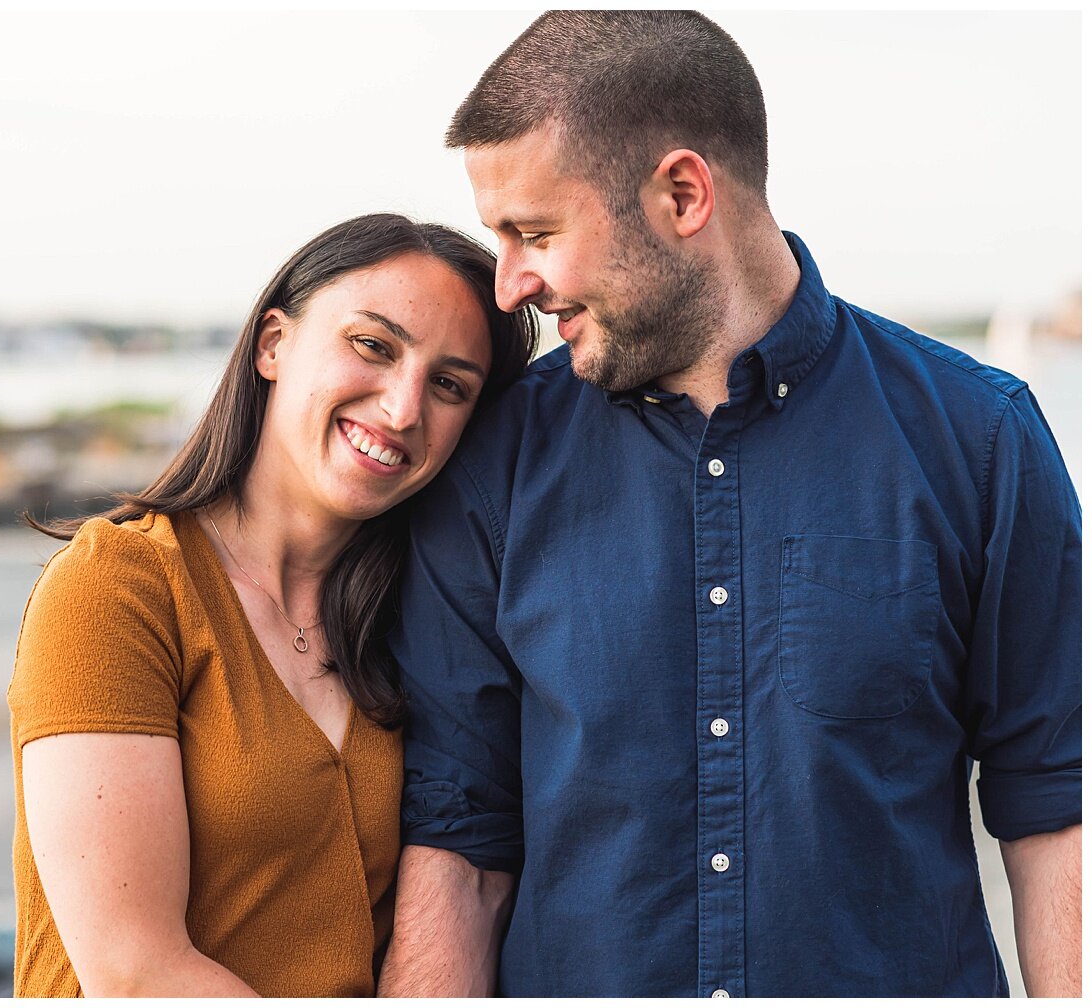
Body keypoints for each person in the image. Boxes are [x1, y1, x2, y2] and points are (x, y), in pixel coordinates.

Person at [377, 10, 1081, 999]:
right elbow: (459, 835)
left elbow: (1054, 802)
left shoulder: (982, 440)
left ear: (682, 193)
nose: (510, 287)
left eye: (534, 233)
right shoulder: (495, 458)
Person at [6, 213, 536, 997]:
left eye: (450, 385)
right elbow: (136, 974)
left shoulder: (415, 621)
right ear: (273, 344)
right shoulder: (117, 590)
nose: (402, 408)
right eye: (373, 346)